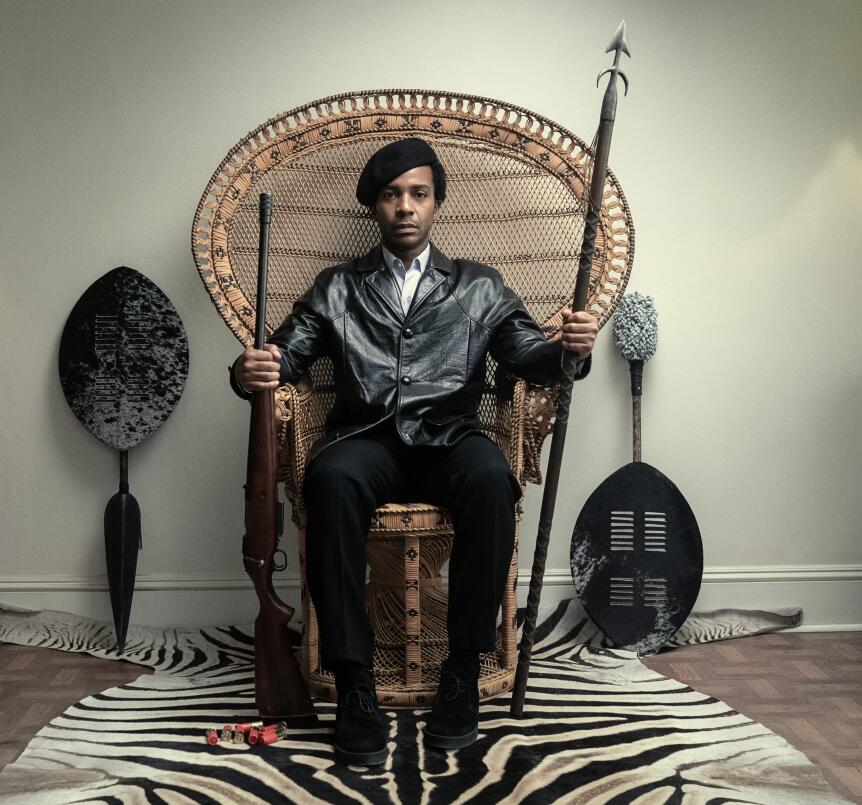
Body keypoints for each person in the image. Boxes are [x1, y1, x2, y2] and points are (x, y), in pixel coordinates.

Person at [231, 137, 597, 766]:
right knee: (332, 480)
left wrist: (570, 349)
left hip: (450, 439)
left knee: (491, 478)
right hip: (363, 441)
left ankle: (460, 674)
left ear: (436, 205)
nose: (406, 206)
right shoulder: (337, 288)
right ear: (376, 206)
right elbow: (284, 355)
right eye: (393, 195)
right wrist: (253, 369)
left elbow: (531, 358)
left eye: (419, 194)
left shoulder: (481, 287)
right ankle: (354, 686)